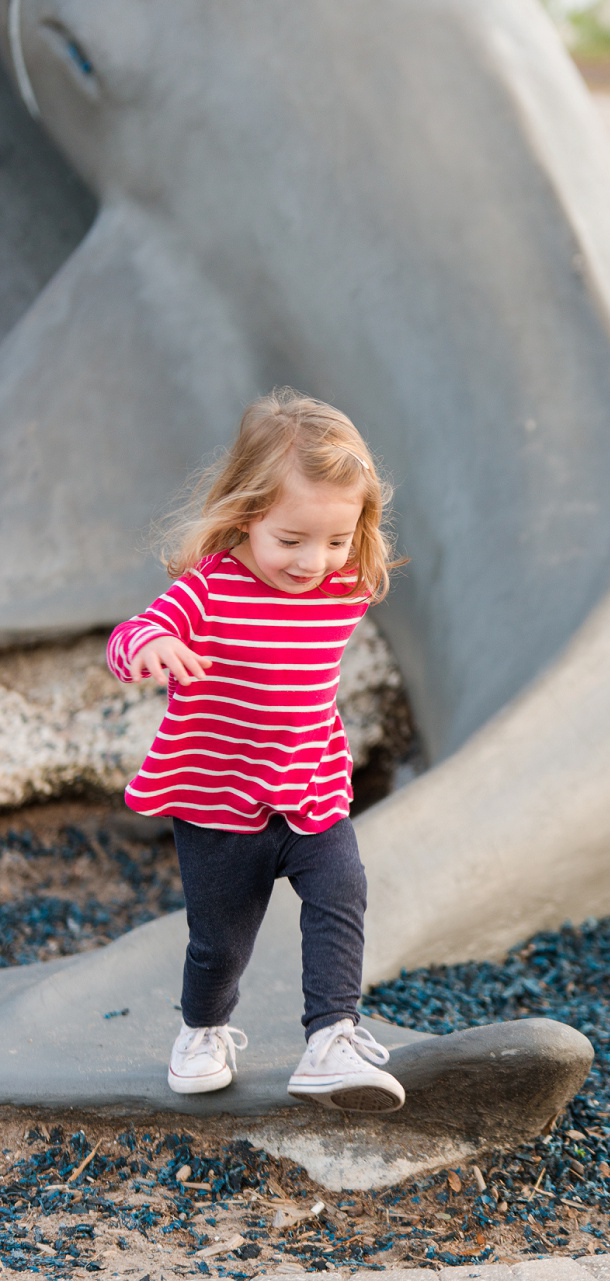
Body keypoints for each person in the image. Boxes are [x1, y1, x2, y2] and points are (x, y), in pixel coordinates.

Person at [107, 390, 405, 1113]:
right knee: (220, 943)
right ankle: (203, 1030)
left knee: (342, 891)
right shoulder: (208, 590)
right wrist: (152, 647)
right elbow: (128, 636)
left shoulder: (345, 583)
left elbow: (345, 551)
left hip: (309, 790)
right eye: (292, 539)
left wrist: (340, 546)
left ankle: (332, 1035)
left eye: (335, 540)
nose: (314, 560)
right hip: (216, 805)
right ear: (246, 515)